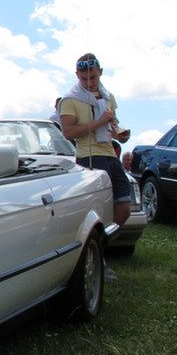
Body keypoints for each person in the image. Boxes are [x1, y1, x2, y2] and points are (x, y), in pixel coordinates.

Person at [57, 52, 132, 229]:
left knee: (124, 206)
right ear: (77, 75)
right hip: (89, 157)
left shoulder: (108, 97)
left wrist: (120, 135)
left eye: (93, 77)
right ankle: (98, 246)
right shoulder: (70, 99)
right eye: (84, 79)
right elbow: (68, 132)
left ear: (101, 72)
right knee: (98, 208)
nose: (89, 82)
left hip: (110, 154)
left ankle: (104, 243)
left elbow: (112, 126)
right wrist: (99, 122)